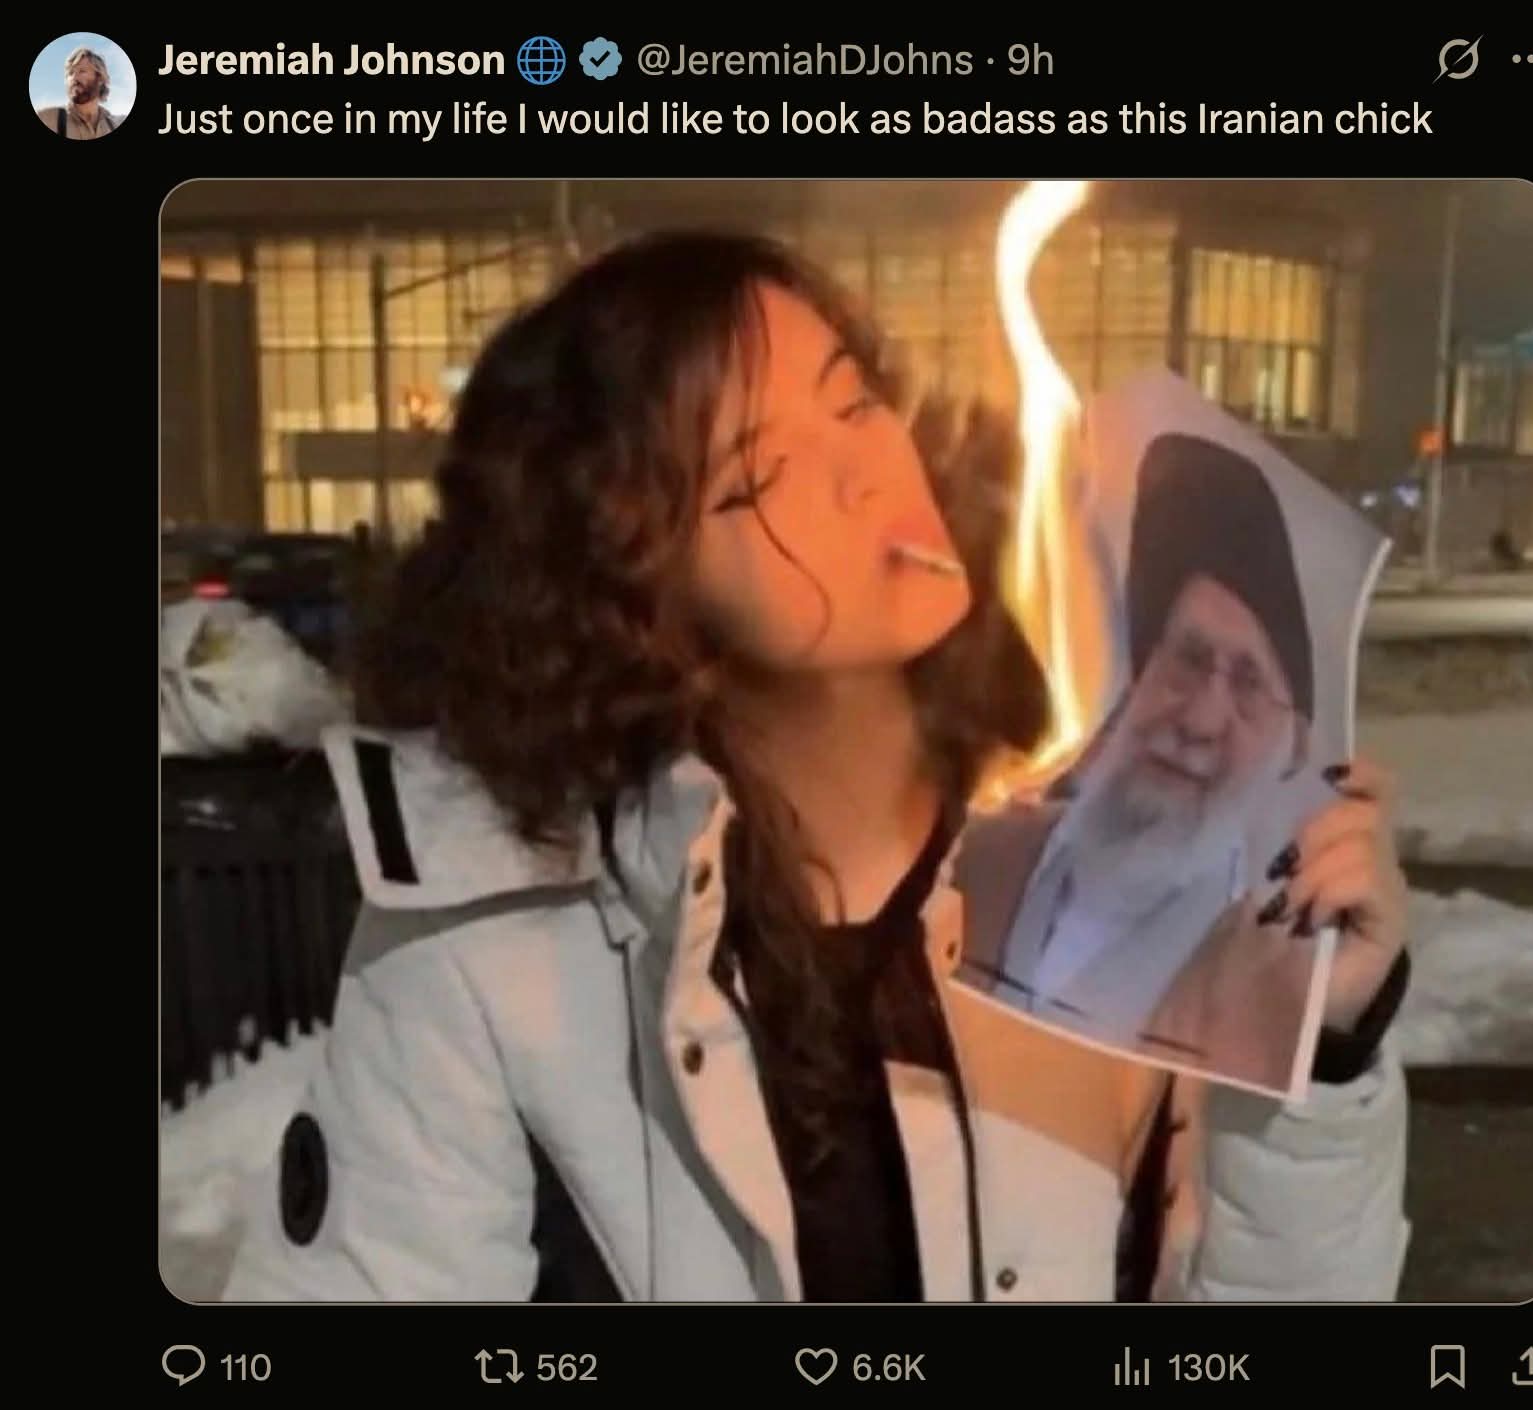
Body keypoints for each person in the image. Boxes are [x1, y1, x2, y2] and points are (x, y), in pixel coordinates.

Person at [222, 232, 1412, 1303]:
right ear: (634, 590)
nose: (863, 472)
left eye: (851, 402)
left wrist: (1323, 1045)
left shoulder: (1102, 865)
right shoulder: (487, 947)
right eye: (755, 478)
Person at [986, 433, 1370, 1087]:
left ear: (1295, 746)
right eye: (1188, 659)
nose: (1200, 720)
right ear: (1135, 678)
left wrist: (1337, 1043)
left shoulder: (1271, 977)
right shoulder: (983, 859)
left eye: (1249, 684)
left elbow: (1306, 1150)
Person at [37, 46, 120, 139]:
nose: (74, 78)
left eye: (82, 71)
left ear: (100, 78)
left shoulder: (113, 126)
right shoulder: (46, 118)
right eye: (70, 73)